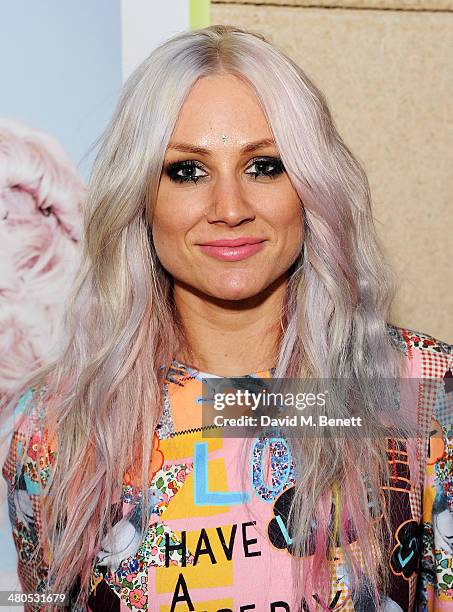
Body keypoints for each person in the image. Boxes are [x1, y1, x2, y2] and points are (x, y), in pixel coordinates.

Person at [1, 24, 452, 612]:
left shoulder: (422, 389)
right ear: (138, 196)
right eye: (187, 171)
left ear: (311, 186)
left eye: (264, 165)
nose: (231, 209)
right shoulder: (56, 430)